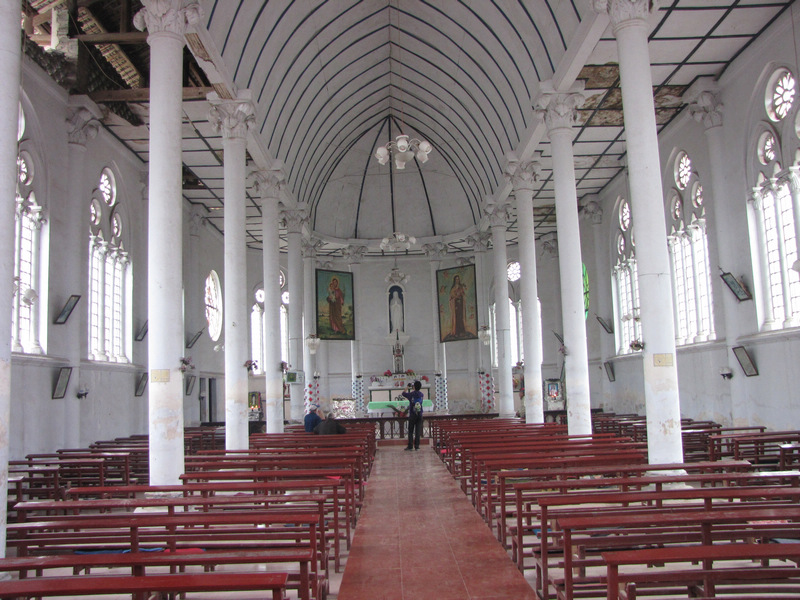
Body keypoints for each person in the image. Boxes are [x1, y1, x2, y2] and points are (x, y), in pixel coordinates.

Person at [402, 380, 424, 451]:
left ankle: (410, 446)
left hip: (412, 414)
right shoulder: (421, 395)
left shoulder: (411, 394)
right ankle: (417, 446)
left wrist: (407, 387)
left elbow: (403, 393)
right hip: (419, 414)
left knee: (410, 431)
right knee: (418, 431)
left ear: (413, 387)